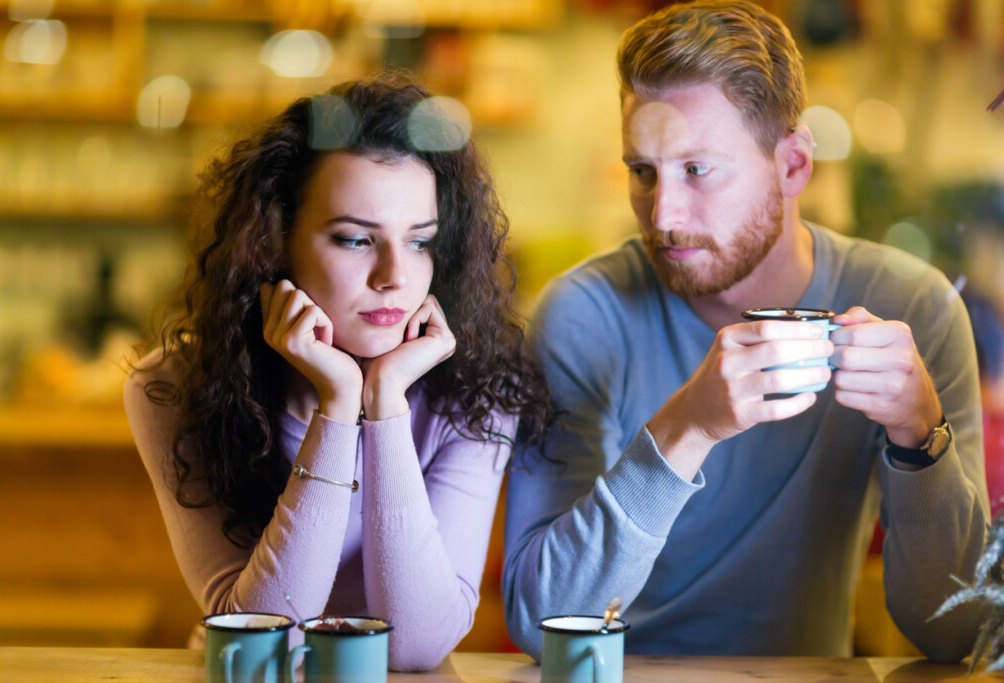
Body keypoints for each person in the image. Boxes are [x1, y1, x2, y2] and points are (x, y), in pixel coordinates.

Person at [502, 0, 988, 662]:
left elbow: (957, 632)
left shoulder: (911, 308)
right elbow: (540, 622)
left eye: (697, 169)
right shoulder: (583, 314)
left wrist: (920, 438)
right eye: (641, 171)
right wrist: (686, 428)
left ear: (793, 166)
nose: (663, 213)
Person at [124, 73, 552, 670]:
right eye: (355, 240)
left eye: (421, 241)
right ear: (273, 241)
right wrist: (339, 404)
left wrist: (385, 405)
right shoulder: (171, 387)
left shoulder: (479, 386)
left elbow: (418, 645)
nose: (394, 276)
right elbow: (266, 639)